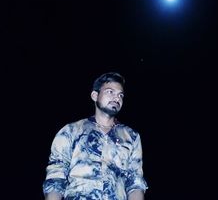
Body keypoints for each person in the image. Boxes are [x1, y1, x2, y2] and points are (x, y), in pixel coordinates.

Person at [43, 72, 148, 200]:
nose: (117, 98)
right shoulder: (70, 131)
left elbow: (135, 182)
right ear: (95, 95)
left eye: (120, 95)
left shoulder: (131, 136)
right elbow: (56, 178)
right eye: (110, 92)